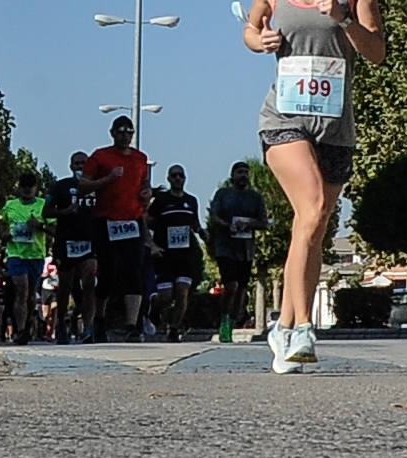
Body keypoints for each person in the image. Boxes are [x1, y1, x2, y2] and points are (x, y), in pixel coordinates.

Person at [244, 0, 385, 373]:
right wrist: (258, 39)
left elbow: (376, 52)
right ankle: (304, 327)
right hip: (284, 117)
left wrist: (342, 17)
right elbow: (252, 27)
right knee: (313, 208)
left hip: (334, 123)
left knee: (314, 225)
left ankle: (281, 328)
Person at [78, 115, 152, 342]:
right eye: (120, 131)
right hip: (106, 220)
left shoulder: (141, 158)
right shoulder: (101, 156)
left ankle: (132, 324)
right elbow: (82, 185)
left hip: (133, 220)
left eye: (128, 132)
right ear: (112, 133)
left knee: (133, 272)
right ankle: (99, 319)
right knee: (108, 273)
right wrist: (107, 180)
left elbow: (144, 184)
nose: (124, 135)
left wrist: (146, 193)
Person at [208, 161, 269, 343]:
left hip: (246, 250)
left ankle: (232, 322)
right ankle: (224, 321)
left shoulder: (255, 198)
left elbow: (264, 222)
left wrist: (248, 223)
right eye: (239, 172)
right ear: (232, 175)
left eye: (246, 173)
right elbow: (214, 216)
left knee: (241, 290)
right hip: (225, 247)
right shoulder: (223, 194)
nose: (243, 176)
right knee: (231, 285)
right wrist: (228, 226)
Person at [44, 151, 99, 344]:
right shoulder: (61, 186)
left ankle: (88, 327)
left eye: (84, 163)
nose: (80, 166)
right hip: (66, 241)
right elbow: (46, 211)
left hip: (89, 241)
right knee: (65, 286)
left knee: (89, 281)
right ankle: (60, 326)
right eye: (77, 163)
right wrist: (65, 211)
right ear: (70, 166)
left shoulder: (96, 187)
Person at [146, 164, 205, 342]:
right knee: (166, 295)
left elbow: (195, 223)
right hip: (165, 254)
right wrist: (153, 244)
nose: (178, 178)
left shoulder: (191, 200)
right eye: (174, 176)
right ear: (169, 179)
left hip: (185, 255)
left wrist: (203, 233)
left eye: (181, 175)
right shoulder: (162, 201)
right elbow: (147, 221)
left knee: (182, 291)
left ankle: (174, 328)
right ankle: (154, 308)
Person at [0, 172, 50, 345]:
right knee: (21, 289)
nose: (27, 189)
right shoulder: (10, 205)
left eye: (31, 186)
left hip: (36, 254)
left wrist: (39, 225)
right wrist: (4, 235)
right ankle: (20, 330)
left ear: (36, 187)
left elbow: (55, 228)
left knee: (30, 295)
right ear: (19, 187)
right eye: (24, 186)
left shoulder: (44, 205)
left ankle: (29, 323)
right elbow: (2, 225)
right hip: (16, 253)